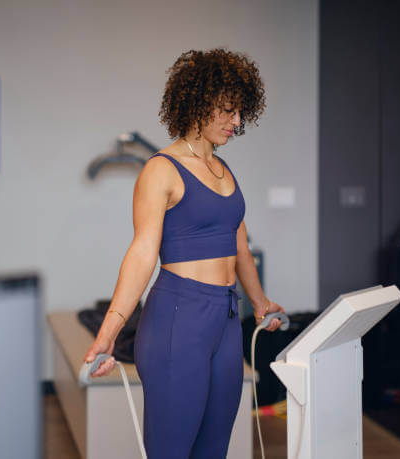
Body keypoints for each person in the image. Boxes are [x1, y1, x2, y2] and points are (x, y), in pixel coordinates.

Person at [82, 48, 285, 458]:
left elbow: (239, 247)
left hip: (226, 319)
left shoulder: (225, 171)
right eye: (228, 110)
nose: (237, 121)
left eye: (240, 111)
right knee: (172, 449)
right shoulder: (161, 170)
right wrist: (108, 334)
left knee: (214, 449)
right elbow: (142, 253)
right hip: (179, 318)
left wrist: (260, 302)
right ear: (198, 104)